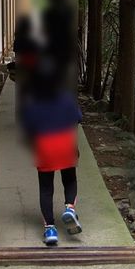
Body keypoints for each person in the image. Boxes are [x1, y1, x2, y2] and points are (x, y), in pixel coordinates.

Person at [18, 52, 84, 246]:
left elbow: (29, 125)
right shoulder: (65, 97)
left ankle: (50, 230)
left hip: (45, 146)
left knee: (46, 188)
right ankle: (70, 208)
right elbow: (78, 117)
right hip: (65, 144)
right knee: (69, 179)